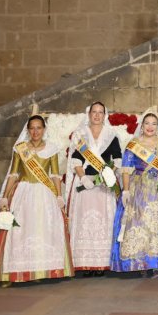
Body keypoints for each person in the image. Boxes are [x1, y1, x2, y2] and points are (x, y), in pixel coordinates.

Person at [0, 115, 73, 285]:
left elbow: (54, 174)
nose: (35, 131)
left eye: (39, 128)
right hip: (23, 192)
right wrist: (4, 197)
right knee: (20, 232)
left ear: (44, 130)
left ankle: (40, 270)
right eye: (32, 128)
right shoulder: (20, 149)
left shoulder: (52, 148)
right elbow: (14, 174)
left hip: (45, 194)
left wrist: (59, 196)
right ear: (28, 130)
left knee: (43, 230)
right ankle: (13, 273)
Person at [110, 108, 158, 276]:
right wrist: (125, 191)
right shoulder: (134, 144)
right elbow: (126, 169)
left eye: (154, 123)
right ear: (142, 125)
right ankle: (140, 262)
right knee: (138, 223)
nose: (150, 127)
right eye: (147, 123)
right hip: (138, 187)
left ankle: (156, 263)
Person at [64, 102, 122, 276]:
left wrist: (108, 176)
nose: (97, 115)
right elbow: (76, 160)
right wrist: (82, 177)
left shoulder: (112, 135)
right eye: (94, 112)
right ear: (89, 115)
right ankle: (85, 263)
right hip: (85, 184)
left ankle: (101, 264)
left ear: (105, 115)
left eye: (100, 112)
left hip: (103, 186)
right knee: (84, 221)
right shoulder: (80, 135)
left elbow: (117, 160)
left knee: (103, 223)